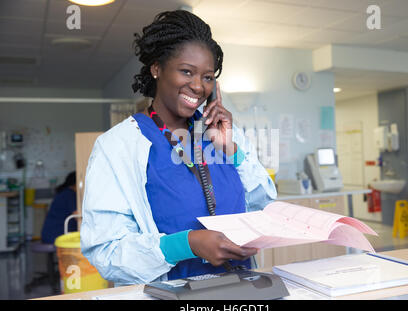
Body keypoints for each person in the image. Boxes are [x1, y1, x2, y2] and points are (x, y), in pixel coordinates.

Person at [80, 10, 276, 285]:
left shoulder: (222, 134)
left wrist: (231, 149)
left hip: (241, 292)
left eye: (208, 77)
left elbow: (264, 207)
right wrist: (187, 244)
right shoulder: (117, 147)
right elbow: (106, 252)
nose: (197, 86)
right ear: (157, 68)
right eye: (187, 71)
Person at [41, 171, 77, 244]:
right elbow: (77, 216)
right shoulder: (70, 194)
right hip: (56, 234)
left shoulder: (64, 192)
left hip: (49, 233)